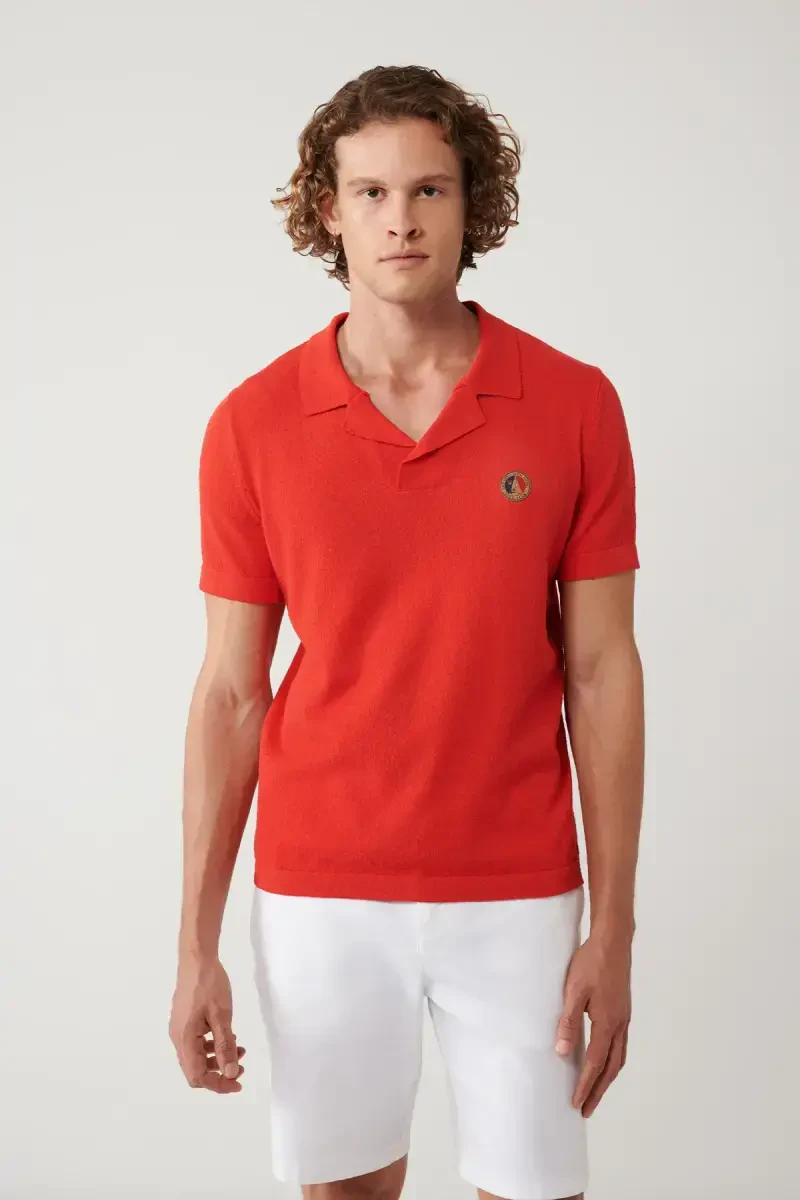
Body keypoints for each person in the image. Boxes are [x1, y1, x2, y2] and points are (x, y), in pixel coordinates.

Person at [169, 63, 645, 1200]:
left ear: (471, 203)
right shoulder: (252, 423)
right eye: (371, 192)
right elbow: (231, 692)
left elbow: (601, 670)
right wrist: (194, 946)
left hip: (521, 892)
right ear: (327, 210)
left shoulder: (574, 403)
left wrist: (614, 927)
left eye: (429, 189)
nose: (400, 220)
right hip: (321, 892)